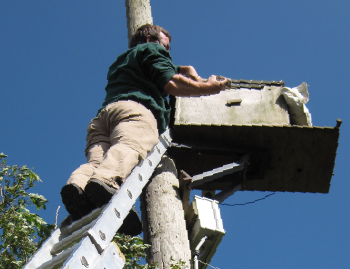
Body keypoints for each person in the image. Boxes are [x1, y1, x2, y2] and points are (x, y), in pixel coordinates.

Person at [61, 23, 232, 232]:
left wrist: (188, 70)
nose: (167, 51)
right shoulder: (153, 50)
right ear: (151, 40)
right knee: (129, 146)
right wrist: (209, 87)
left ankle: (77, 186)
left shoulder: (124, 60)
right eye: (165, 46)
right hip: (135, 113)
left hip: (104, 118)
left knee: (97, 162)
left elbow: (162, 67)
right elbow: (171, 83)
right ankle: (107, 185)